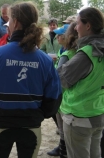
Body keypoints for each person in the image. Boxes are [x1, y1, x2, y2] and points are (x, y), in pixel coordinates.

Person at [0, 1, 62, 158]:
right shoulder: (45, 60)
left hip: (0, 123)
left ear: (15, 22)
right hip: (32, 125)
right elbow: (53, 98)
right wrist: (38, 115)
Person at [57, 7, 104, 158]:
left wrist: (62, 60)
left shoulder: (87, 53)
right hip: (98, 112)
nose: (76, 28)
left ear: (88, 25)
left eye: (77, 23)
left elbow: (63, 80)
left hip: (79, 117)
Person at [47, 22, 78, 157]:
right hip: (65, 96)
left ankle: (63, 151)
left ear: (67, 37)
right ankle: (62, 148)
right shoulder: (66, 51)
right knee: (62, 128)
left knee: (63, 127)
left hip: (63, 96)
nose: (57, 37)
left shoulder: (67, 54)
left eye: (60, 35)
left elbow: (59, 76)